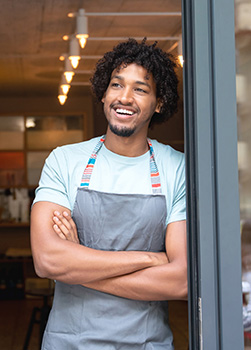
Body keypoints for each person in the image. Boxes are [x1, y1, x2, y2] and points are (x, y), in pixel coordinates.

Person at [30, 38, 187, 350]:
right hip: (70, 342)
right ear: (103, 93)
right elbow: (48, 260)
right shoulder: (65, 160)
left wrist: (77, 267)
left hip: (147, 343)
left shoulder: (176, 168)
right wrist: (151, 259)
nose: (124, 98)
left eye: (140, 89)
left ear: (158, 102)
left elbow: (180, 280)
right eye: (116, 85)